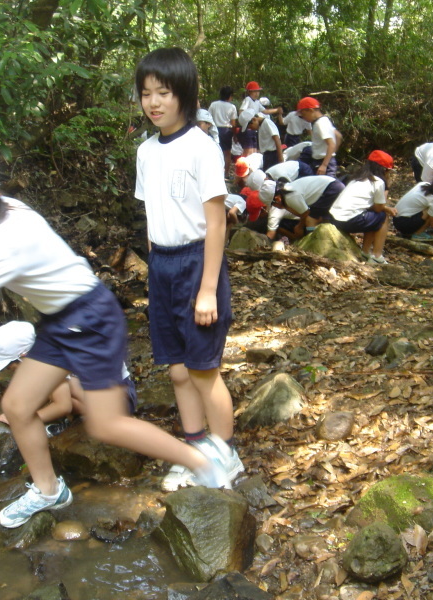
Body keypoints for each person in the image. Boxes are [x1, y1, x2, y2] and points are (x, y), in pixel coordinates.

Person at [0, 152, 233, 529]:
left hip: (90, 319)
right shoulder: (3, 207)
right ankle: (49, 489)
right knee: (18, 405)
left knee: (105, 425)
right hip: (62, 318)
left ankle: (203, 461)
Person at [134, 48, 244, 492]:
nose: (154, 102)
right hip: (161, 263)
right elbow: (150, 216)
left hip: (198, 260)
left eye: (164, 92)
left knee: (202, 367)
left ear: (185, 94)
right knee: (177, 370)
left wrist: (206, 289)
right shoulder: (145, 151)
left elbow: (216, 222)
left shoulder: (201, 146)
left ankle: (227, 455)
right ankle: (196, 449)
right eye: (146, 94)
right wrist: (152, 270)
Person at [0, 321, 138, 436]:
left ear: (23, 356)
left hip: (120, 400)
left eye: (10, 366)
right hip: (120, 391)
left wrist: (22, 420)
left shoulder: (49, 362)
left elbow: (63, 406)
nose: (9, 370)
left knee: (61, 390)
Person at [328, 150, 397, 264]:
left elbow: (371, 207)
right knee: (382, 217)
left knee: (374, 218)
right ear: (384, 170)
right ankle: (377, 255)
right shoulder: (378, 182)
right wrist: (387, 188)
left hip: (334, 218)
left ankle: (365, 253)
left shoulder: (357, 178)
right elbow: (379, 208)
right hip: (348, 220)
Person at [261, 174, 345, 238]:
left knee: (310, 220)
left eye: (273, 204)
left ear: (277, 198)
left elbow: (306, 213)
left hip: (331, 189)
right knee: (318, 218)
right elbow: (301, 213)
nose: (274, 206)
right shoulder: (288, 190)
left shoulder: (290, 196)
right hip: (331, 187)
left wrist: (299, 227)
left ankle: (311, 242)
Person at [295, 96, 342, 177]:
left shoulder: (320, 124)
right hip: (324, 161)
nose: (303, 118)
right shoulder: (324, 120)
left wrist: (324, 165)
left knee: (324, 187)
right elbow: (338, 136)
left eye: (303, 114)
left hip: (322, 162)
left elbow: (331, 144)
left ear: (311, 110)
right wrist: (331, 155)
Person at [208, 86, 238, 179]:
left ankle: (213, 173)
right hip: (226, 131)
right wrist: (235, 135)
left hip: (214, 129)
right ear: (229, 96)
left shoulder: (213, 104)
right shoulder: (232, 107)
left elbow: (208, 117)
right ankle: (226, 174)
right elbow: (233, 123)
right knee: (227, 153)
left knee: (214, 152)